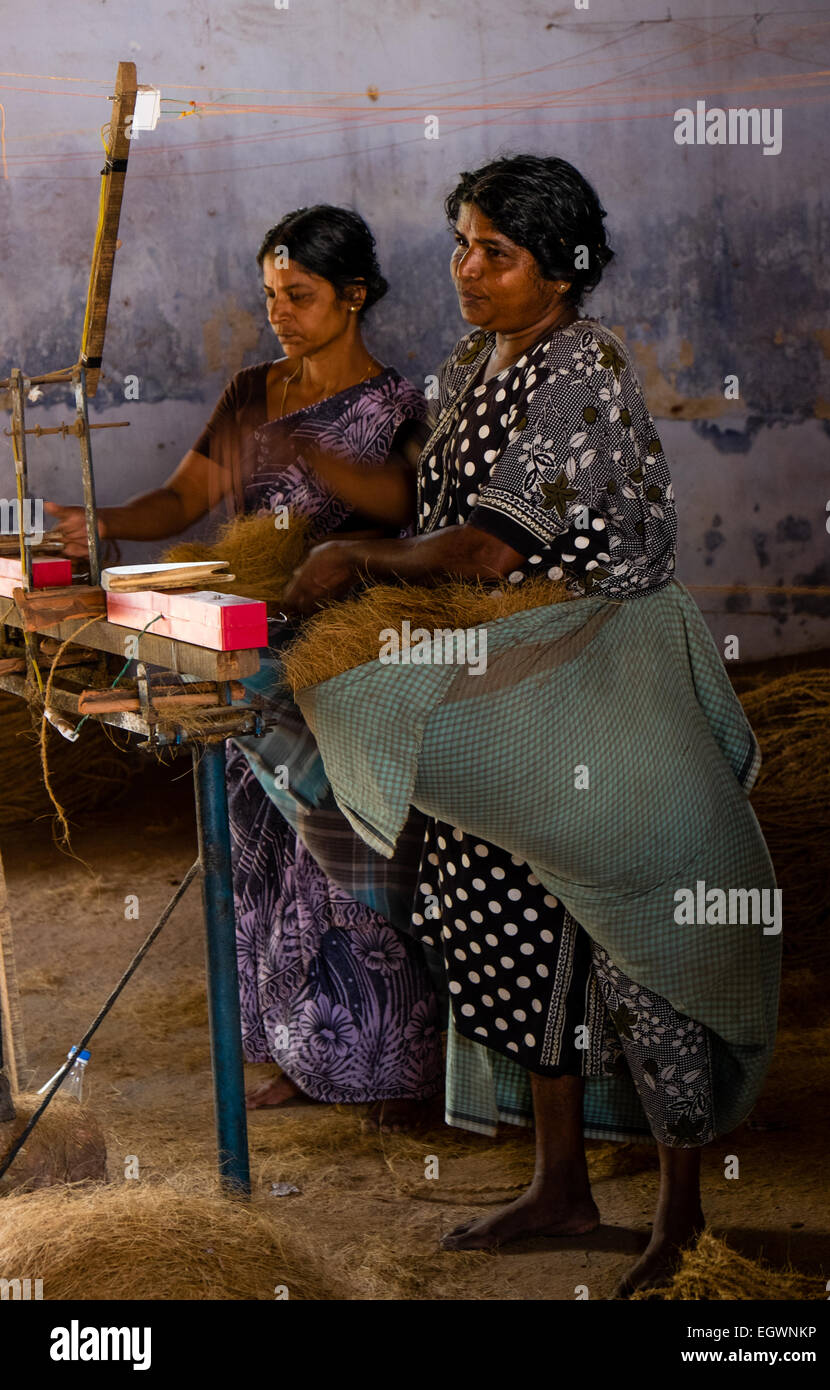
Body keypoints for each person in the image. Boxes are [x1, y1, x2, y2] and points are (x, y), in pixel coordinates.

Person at [280, 156, 779, 1292]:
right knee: (510, 923)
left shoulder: (582, 369)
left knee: (638, 929)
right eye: (460, 242)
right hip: (502, 685)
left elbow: (485, 548)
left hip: (598, 677)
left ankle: (682, 1216)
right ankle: (559, 1183)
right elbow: (436, 513)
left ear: (561, 269)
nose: (465, 268)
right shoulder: (467, 364)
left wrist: (354, 558)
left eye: (494, 252)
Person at [46, 205, 443, 1130]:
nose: (280, 313)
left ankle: (387, 1063)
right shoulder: (250, 392)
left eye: (299, 296)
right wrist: (101, 524)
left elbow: (408, 500)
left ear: (354, 297)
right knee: (263, 862)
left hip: (347, 657)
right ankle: (306, 1058)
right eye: (270, 295)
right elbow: (187, 496)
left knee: (344, 858)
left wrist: (312, 455)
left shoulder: (400, 406)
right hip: (252, 652)